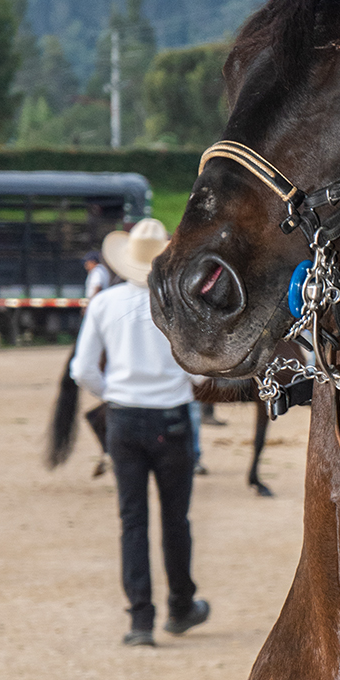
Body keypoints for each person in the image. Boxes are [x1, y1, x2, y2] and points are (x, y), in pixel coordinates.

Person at [71, 217, 210, 646]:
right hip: (172, 420)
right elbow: (204, 373)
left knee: (132, 521)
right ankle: (181, 606)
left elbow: (82, 371)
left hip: (123, 420)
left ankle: (140, 621)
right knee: (175, 520)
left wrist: (113, 392)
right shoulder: (183, 303)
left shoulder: (104, 303)